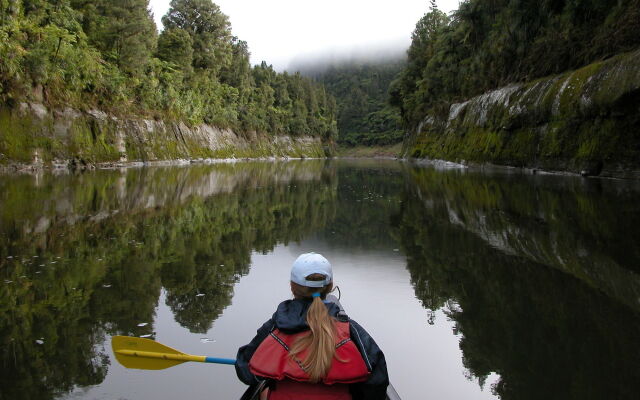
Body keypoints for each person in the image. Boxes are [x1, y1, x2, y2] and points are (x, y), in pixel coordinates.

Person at [235, 252, 389, 400]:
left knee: (265, 390)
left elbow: (247, 371)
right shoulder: (351, 330)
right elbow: (378, 380)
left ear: (292, 287)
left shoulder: (274, 328)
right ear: (330, 287)